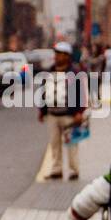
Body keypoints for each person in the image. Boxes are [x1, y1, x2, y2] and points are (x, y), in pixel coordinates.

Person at [39, 41, 88, 181]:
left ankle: (74, 170)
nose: (57, 57)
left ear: (67, 56)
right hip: (53, 115)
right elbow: (44, 92)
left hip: (69, 115)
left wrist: (80, 112)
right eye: (56, 54)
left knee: (71, 144)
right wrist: (42, 111)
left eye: (60, 54)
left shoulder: (75, 73)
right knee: (55, 144)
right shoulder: (49, 72)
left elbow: (82, 94)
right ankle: (56, 169)